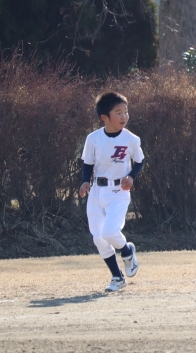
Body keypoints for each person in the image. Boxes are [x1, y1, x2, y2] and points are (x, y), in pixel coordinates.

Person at [79, 92, 145, 292]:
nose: (124, 116)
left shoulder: (131, 139)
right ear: (104, 117)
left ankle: (127, 251)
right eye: (118, 112)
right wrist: (85, 182)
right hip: (97, 192)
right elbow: (87, 163)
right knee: (98, 238)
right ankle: (117, 277)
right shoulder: (93, 138)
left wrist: (131, 176)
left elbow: (140, 161)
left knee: (110, 232)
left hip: (119, 191)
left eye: (126, 111)